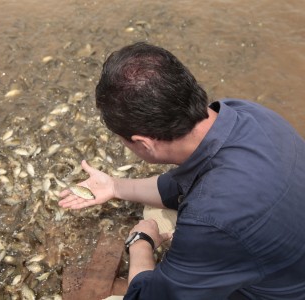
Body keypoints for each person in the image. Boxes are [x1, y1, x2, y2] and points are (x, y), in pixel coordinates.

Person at [58, 42, 305, 299]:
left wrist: (141, 242)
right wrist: (114, 186)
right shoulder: (245, 112)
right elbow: (181, 184)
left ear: (144, 143)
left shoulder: (211, 218)